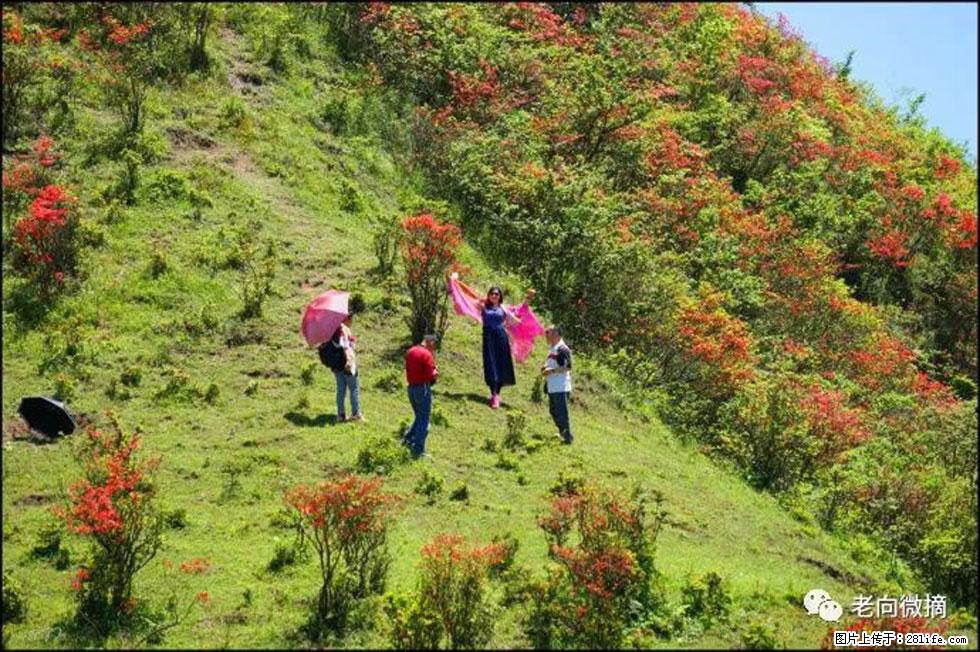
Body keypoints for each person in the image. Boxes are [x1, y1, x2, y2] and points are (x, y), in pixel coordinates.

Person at [474, 286, 537, 409]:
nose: (494, 295)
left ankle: (496, 394)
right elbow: (473, 302)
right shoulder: (484, 307)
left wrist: (528, 298)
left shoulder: (504, 308)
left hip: (501, 338)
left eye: (497, 294)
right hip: (488, 338)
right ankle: (493, 393)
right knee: (490, 364)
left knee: (501, 364)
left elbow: (521, 310)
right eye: (492, 293)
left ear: (500, 297)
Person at [403, 334, 439, 458]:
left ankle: (407, 439)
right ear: (431, 343)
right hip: (422, 388)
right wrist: (435, 372)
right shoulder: (426, 354)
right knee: (424, 419)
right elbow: (431, 375)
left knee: (419, 416)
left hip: (411, 388)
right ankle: (418, 449)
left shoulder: (411, 351)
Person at [541, 326, 573, 445]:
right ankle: (562, 432)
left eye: (549, 333)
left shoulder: (562, 348)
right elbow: (551, 364)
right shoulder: (552, 348)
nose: (546, 335)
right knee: (553, 411)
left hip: (561, 386)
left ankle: (567, 436)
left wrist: (551, 371)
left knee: (561, 412)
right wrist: (545, 368)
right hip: (552, 385)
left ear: (557, 335)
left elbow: (568, 367)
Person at [332, 315, 362, 423]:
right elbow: (346, 347)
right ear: (346, 319)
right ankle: (356, 414)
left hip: (336, 366)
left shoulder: (332, 330)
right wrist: (350, 361)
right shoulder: (343, 329)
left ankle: (340, 415)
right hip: (347, 364)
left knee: (341, 390)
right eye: (351, 319)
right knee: (354, 388)